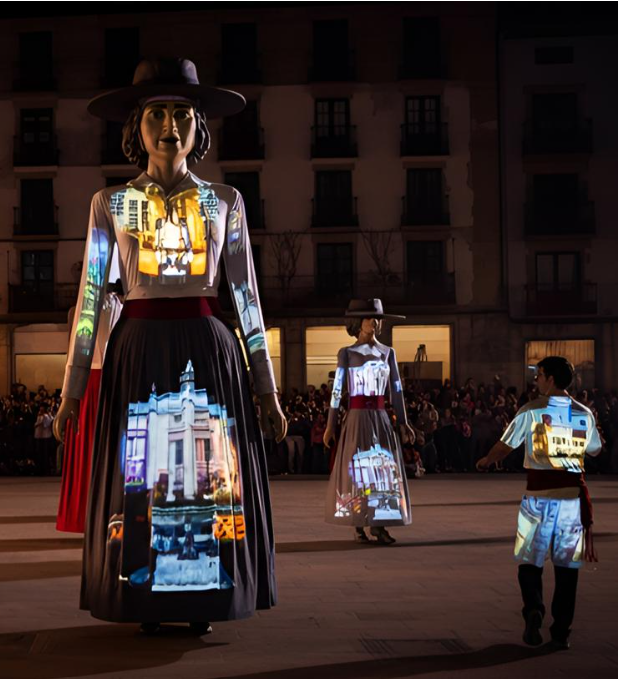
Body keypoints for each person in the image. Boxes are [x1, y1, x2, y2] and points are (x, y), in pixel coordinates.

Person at [54, 57, 286, 636]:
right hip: (136, 348)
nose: (170, 124)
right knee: (143, 477)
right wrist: (71, 391)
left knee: (208, 476)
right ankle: (145, 592)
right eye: (156, 112)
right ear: (135, 128)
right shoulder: (110, 203)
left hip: (209, 347)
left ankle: (204, 597)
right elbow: (89, 303)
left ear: (198, 127)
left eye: (182, 112)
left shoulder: (224, 202)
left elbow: (247, 299)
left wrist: (268, 390)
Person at [477, 356, 603, 651]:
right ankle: (561, 631)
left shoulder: (532, 410)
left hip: (538, 497)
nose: (536, 381)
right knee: (566, 568)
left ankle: (533, 608)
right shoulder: (584, 412)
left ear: (548, 378)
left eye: (538, 375)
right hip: (572, 498)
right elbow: (596, 449)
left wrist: (486, 461)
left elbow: (506, 444)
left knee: (529, 561)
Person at [322, 299, 416, 544]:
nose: (372, 322)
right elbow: (337, 390)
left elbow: (397, 389)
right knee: (357, 471)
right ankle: (359, 522)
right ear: (357, 322)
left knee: (383, 470)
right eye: (367, 318)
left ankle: (380, 523)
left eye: (376, 318)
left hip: (381, 418)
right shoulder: (347, 353)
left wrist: (404, 421)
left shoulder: (388, 353)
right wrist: (331, 424)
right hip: (356, 418)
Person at [57, 289, 122, 533]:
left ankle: (83, 513)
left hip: (89, 380)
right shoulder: (119, 305)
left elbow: (72, 355)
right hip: (107, 377)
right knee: (106, 448)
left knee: (88, 447)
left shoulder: (84, 306)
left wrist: (68, 392)